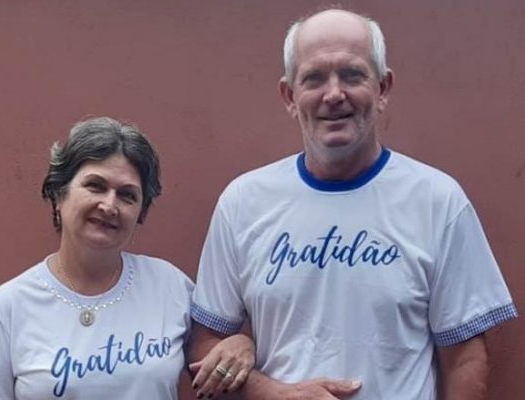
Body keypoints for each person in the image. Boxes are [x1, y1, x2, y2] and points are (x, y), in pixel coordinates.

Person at [189, 8, 518, 400]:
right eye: (314, 78)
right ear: (290, 96)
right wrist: (275, 392)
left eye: (352, 74)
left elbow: (465, 358)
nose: (333, 94)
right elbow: (205, 344)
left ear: (383, 88)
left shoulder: (438, 201)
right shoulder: (243, 202)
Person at [0, 116, 254, 399]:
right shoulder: (11, 305)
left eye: (127, 195)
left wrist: (242, 344)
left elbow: (208, 349)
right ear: (58, 194)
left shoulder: (169, 286)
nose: (109, 205)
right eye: (95, 186)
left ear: (141, 212)